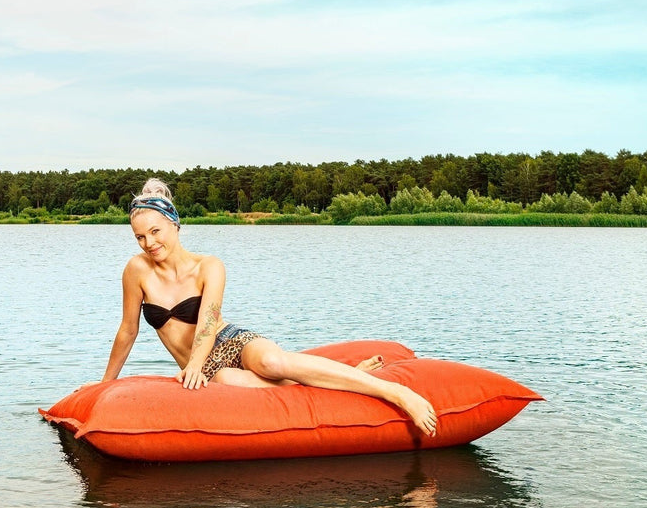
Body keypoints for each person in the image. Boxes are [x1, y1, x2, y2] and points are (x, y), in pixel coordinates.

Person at [100, 178, 438, 436]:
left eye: (155, 231)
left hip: (228, 340)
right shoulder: (136, 270)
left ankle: (394, 392)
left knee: (272, 362)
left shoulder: (209, 266)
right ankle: (352, 375)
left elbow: (207, 321)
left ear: (174, 223)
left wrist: (195, 366)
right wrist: (104, 384)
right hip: (205, 368)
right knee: (233, 382)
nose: (150, 243)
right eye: (140, 237)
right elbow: (128, 330)